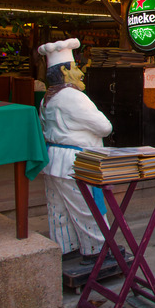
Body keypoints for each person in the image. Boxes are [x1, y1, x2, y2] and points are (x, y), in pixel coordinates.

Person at [38, 38, 112, 262]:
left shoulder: (46, 99)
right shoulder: (73, 96)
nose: (80, 72)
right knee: (86, 208)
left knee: (58, 209)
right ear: (64, 70)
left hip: (52, 161)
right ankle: (97, 250)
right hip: (75, 161)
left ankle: (65, 247)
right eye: (76, 67)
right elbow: (104, 126)